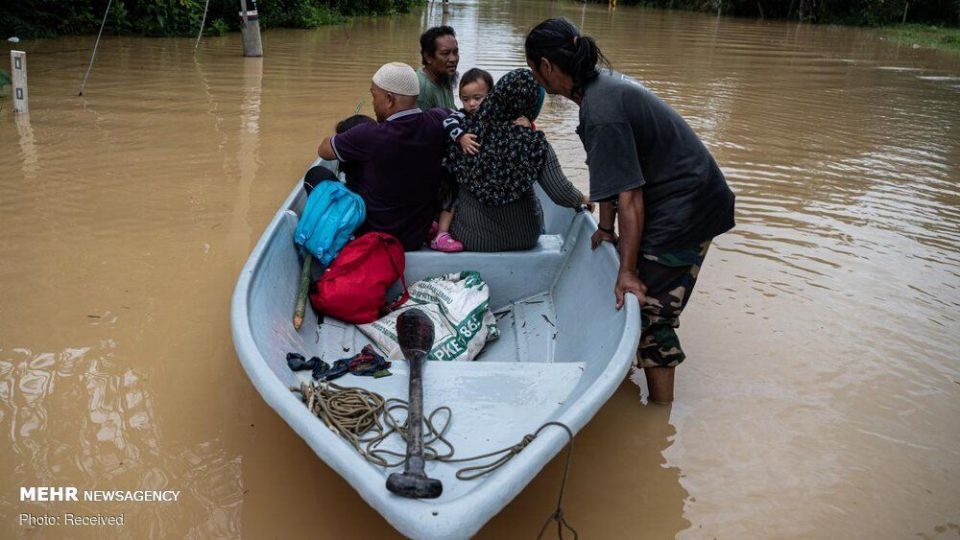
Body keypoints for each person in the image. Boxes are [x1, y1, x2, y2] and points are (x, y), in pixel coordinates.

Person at [525, 18, 736, 404]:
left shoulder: (602, 108)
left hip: (686, 205)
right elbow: (609, 172)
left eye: (533, 70)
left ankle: (659, 417)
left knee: (652, 309)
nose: (536, 79)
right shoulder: (598, 90)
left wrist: (626, 270)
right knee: (640, 287)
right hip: (674, 197)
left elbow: (630, 198)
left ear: (547, 67)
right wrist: (606, 229)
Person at [445, 68, 590, 252]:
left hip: (471, 238)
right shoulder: (534, 141)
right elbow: (560, 192)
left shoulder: (463, 134)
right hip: (525, 237)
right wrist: (583, 199)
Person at [317, 62, 450, 251]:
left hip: (375, 238)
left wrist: (349, 137)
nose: (372, 103)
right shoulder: (437, 121)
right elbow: (457, 116)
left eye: (374, 96)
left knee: (317, 175)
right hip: (415, 238)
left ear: (389, 99)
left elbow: (324, 150)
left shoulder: (368, 135)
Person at [430, 68, 495, 252]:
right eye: (465, 99)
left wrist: (525, 122)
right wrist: (461, 137)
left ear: (491, 95)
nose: (471, 104)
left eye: (477, 98)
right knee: (450, 198)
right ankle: (441, 235)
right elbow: (448, 123)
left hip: (476, 173)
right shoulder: (460, 116)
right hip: (451, 170)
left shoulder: (495, 117)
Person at [417, 26, 459, 110]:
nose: (453, 59)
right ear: (428, 56)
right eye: (445, 53)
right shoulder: (422, 88)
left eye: (455, 52)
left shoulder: (445, 76)